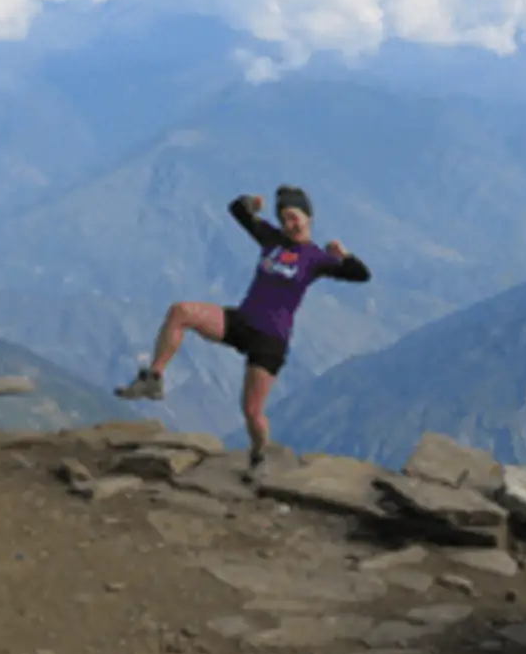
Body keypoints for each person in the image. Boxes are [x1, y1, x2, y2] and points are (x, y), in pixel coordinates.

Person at [116, 185, 371, 478]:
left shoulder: (316, 258)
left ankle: (259, 454)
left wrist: (344, 254)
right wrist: (253, 203)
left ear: (308, 217)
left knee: (251, 410)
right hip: (242, 320)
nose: (290, 223)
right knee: (180, 312)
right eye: (284, 218)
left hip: (270, 340)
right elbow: (237, 209)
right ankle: (153, 378)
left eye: (294, 217)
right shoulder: (271, 238)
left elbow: (361, 274)